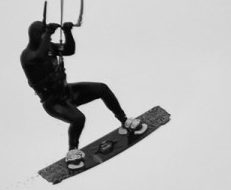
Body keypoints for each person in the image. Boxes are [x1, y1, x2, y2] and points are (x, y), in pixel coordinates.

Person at [20, 20, 144, 168]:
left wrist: (67, 32)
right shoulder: (27, 56)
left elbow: (69, 50)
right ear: (35, 36)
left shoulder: (49, 47)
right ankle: (72, 151)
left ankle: (124, 121)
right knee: (78, 119)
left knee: (102, 89)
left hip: (68, 92)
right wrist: (48, 33)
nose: (49, 38)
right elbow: (39, 57)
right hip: (53, 102)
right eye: (44, 35)